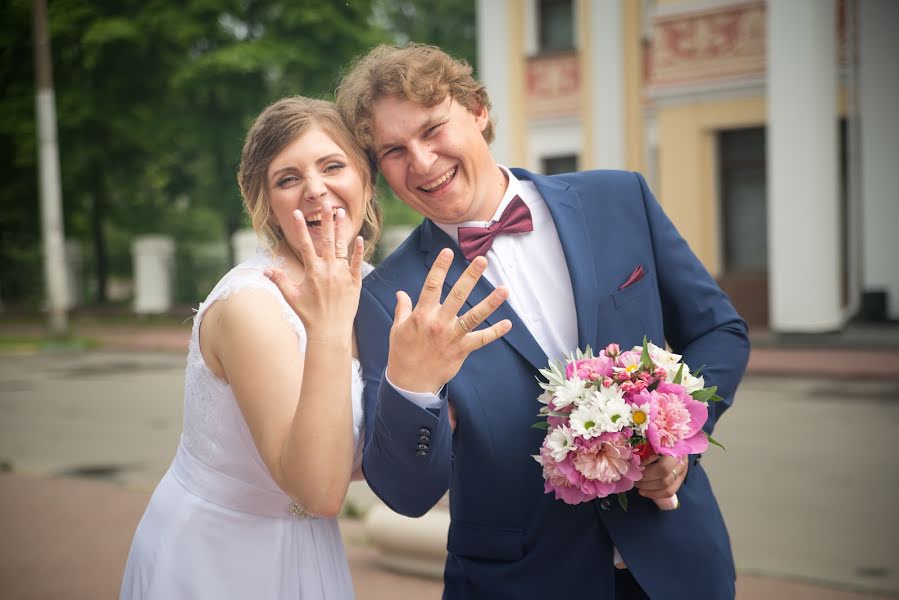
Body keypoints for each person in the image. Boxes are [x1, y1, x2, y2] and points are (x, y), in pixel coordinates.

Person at [339, 44, 751, 599]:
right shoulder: (388, 297)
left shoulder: (618, 199)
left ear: (477, 111)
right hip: (519, 580)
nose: (421, 161)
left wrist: (676, 440)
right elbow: (407, 494)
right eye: (393, 150)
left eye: (433, 128)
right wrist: (413, 386)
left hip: (677, 557)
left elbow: (719, 331)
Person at [121, 96, 382, 599]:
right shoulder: (251, 308)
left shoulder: (371, 288)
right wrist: (328, 328)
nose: (315, 190)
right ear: (262, 201)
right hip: (216, 558)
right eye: (288, 179)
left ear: (366, 181)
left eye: (333, 166)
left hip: (309, 546)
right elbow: (320, 491)